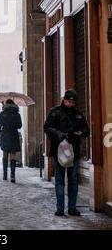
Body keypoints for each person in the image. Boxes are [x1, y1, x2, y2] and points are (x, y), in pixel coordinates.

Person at [44, 89, 90, 217]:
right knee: (59, 180)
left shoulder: (78, 115)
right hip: (58, 150)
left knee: (73, 180)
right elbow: (47, 127)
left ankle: (72, 208)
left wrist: (81, 133)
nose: (71, 104)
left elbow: (86, 130)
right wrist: (59, 134)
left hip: (73, 151)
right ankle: (60, 208)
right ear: (64, 100)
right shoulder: (55, 112)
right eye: (69, 101)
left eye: (73, 102)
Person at [0, 99, 22, 183]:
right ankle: (12, 176)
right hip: (14, 135)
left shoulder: (2, 114)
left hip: (5, 134)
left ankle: (4, 175)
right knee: (13, 155)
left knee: (5, 154)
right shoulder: (17, 114)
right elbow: (19, 125)